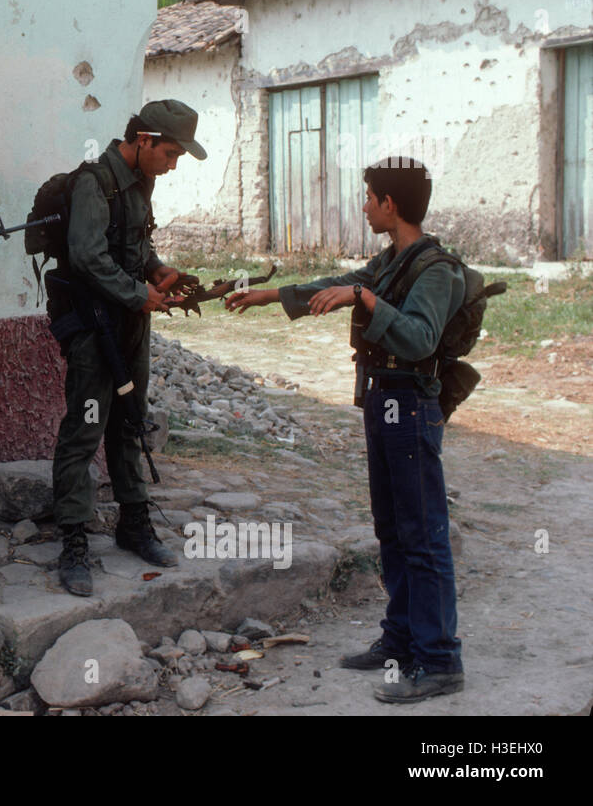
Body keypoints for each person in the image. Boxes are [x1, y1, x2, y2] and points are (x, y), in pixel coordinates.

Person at [226, 156, 466, 703]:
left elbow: (421, 338)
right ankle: (401, 639)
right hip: (384, 403)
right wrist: (267, 295)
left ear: (390, 204)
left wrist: (364, 299)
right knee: (392, 529)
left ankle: (440, 660)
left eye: (369, 197)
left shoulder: (435, 269)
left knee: (424, 537)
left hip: (412, 406)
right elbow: (339, 283)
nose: (363, 206)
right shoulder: (390, 261)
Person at [52, 100, 204, 597]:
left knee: (129, 419)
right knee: (84, 428)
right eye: (170, 153)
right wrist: (141, 293)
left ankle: (133, 522)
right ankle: (73, 539)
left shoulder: (143, 182)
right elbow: (87, 255)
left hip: (131, 323)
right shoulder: (93, 183)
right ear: (144, 140)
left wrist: (155, 269)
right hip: (95, 326)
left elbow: (134, 246)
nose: (173, 163)